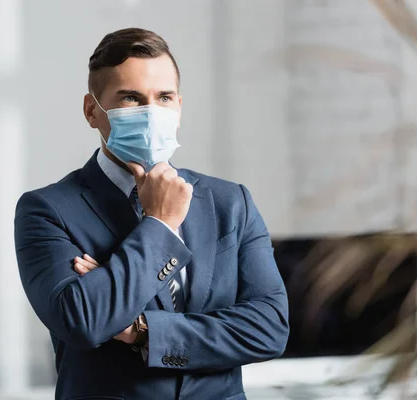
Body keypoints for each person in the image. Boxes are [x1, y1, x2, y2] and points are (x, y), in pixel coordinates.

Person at [14, 27, 289, 400]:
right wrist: (161, 223)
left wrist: (142, 330)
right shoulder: (47, 210)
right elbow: (82, 321)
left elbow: (269, 328)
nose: (151, 113)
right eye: (130, 98)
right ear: (92, 110)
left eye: (164, 97)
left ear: (179, 107)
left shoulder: (229, 202)